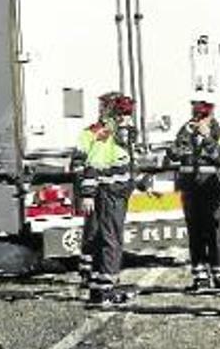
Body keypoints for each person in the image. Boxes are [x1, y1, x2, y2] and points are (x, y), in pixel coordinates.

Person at [77, 92, 137, 305]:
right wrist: (87, 194)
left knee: (106, 239)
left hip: (117, 193)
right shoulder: (106, 134)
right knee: (111, 241)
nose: (128, 118)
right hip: (110, 193)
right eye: (124, 113)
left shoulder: (121, 134)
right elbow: (93, 164)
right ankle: (106, 290)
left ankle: (98, 289)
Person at [169, 97, 220, 293]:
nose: (199, 119)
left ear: (211, 115)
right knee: (195, 232)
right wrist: (185, 137)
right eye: (196, 115)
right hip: (191, 189)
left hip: (212, 189)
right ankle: (200, 276)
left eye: (203, 115)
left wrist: (207, 138)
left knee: (214, 232)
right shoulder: (186, 131)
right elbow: (173, 154)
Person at [72, 92, 121, 287]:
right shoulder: (91, 133)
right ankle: (88, 271)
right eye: (106, 107)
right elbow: (79, 162)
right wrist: (86, 190)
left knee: (108, 234)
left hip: (111, 191)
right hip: (93, 189)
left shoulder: (120, 133)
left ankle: (101, 271)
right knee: (92, 231)